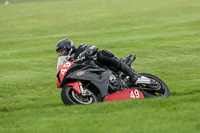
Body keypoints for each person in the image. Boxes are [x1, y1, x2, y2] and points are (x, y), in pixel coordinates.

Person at [56, 38, 138, 84]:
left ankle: (130, 72)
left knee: (102, 54)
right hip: (91, 76)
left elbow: (94, 47)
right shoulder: (68, 63)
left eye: (62, 51)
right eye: (60, 52)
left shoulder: (81, 48)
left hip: (101, 66)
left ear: (69, 48)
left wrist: (86, 52)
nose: (61, 54)